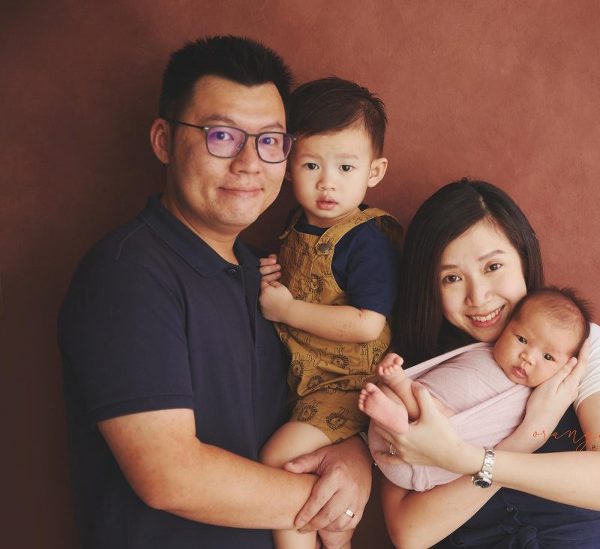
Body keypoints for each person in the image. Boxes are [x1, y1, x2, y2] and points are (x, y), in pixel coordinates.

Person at [58, 36, 372, 549]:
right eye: (222, 136)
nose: (250, 163)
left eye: (270, 141)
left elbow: (307, 405)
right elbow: (170, 475)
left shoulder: (267, 277)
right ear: (163, 140)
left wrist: (354, 455)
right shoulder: (128, 274)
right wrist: (331, 500)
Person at [373, 179, 600, 548]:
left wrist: (463, 458)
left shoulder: (578, 345)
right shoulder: (410, 373)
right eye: (452, 278)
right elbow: (411, 533)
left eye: (493, 267)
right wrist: (523, 439)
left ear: (523, 257)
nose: (479, 297)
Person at [256, 77, 400, 548]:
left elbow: (367, 324)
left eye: (345, 166)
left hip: (351, 386)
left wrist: (289, 309)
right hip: (307, 382)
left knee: (281, 457)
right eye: (311, 164)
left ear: (373, 172)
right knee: (320, 490)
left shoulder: (366, 240)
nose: (327, 183)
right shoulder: (294, 225)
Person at [359, 287, 592, 492]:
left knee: (437, 412)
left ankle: (399, 407)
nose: (528, 357)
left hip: (424, 458)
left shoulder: (526, 399)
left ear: (567, 368)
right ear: (507, 325)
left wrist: (402, 383)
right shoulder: (482, 349)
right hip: (386, 432)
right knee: (396, 392)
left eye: (548, 356)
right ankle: (397, 402)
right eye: (522, 339)